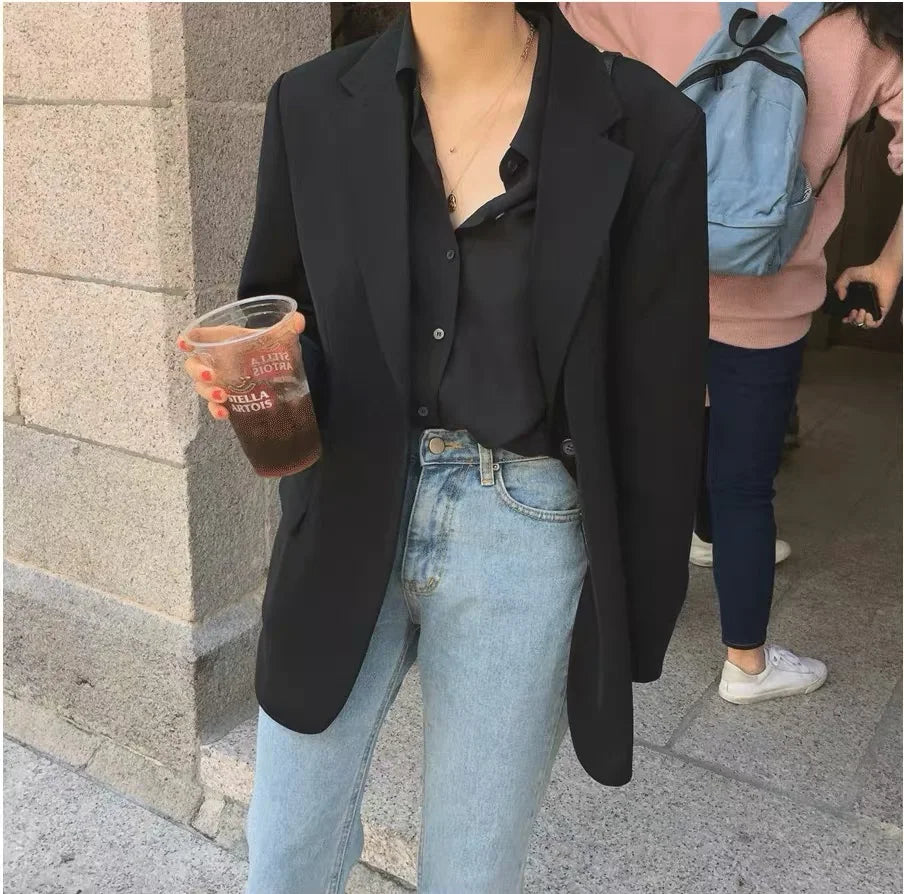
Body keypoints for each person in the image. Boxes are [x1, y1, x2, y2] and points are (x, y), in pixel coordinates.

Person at [180, 3, 708, 891]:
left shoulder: (651, 123)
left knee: (472, 872)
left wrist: (636, 616)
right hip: (348, 505)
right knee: (283, 852)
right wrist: (263, 373)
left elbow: (659, 393)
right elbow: (282, 307)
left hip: (524, 530)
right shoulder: (310, 104)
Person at [561, 1, 902, 705]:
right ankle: (746, 663)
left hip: (652, 283)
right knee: (745, 485)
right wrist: (889, 264)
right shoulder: (869, 28)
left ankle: (613, 629)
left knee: (640, 458)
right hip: (771, 298)